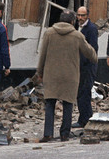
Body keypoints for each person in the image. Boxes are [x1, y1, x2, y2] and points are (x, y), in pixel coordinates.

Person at [36, 10, 97, 142]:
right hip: (70, 75)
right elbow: (90, 52)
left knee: (50, 104)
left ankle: (48, 134)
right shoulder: (77, 36)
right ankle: (64, 134)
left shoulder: (49, 33)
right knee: (68, 104)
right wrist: (95, 58)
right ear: (72, 21)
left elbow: (43, 55)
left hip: (51, 74)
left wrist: (40, 72)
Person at [73, 6, 99, 128]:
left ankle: (84, 120)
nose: (80, 18)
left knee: (84, 92)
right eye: (78, 15)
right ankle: (87, 117)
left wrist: (85, 61)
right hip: (78, 65)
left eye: (83, 15)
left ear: (87, 16)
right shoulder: (76, 26)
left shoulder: (91, 29)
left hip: (87, 66)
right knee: (81, 92)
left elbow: (93, 48)